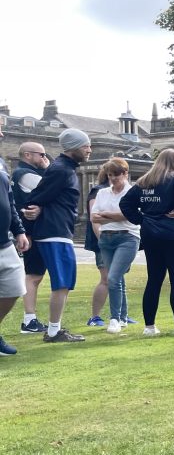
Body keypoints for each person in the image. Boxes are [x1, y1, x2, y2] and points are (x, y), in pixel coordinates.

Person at [121, 148, 174, 335]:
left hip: (151, 235)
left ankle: (149, 327)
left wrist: (142, 220)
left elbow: (125, 204)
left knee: (154, 280)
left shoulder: (144, 182)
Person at [23, 128, 93, 342]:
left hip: (58, 231)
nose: (89, 150)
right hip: (54, 233)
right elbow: (37, 197)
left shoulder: (64, 168)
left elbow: (50, 199)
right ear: (73, 148)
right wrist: (38, 209)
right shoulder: (61, 170)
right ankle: (53, 331)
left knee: (65, 282)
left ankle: (55, 329)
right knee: (61, 282)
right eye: (85, 146)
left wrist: (43, 208)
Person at [91, 158, 139, 333]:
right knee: (117, 279)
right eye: (110, 175)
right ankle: (124, 317)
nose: (112, 179)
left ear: (125, 173)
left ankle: (115, 319)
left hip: (128, 237)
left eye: (116, 175)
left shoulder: (133, 192)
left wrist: (106, 215)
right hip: (106, 238)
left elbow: (129, 215)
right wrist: (115, 215)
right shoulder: (103, 193)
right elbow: (94, 217)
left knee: (112, 278)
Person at [10, 141, 49, 334]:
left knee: (35, 275)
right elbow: (50, 190)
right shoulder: (25, 174)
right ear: (27, 155)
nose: (45, 158)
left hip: (30, 231)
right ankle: (29, 320)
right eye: (41, 155)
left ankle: (30, 319)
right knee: (33, 276)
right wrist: (49, 169)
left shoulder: (22, 173)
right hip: (32, 232)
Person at [0, 150, 30, 356]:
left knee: (14, 287)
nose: (1, 133)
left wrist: (19, 230)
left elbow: (9, 199)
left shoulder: (0, 163)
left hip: (4, 242)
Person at [85, 168, 111, 327]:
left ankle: (120, 315)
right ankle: (95, 317)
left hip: (117, 239)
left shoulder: (116, 192)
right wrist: (102, 240)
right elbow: (94, 219)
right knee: (106, 279)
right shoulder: (98, 191)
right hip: (104, 241)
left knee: (117, 280)